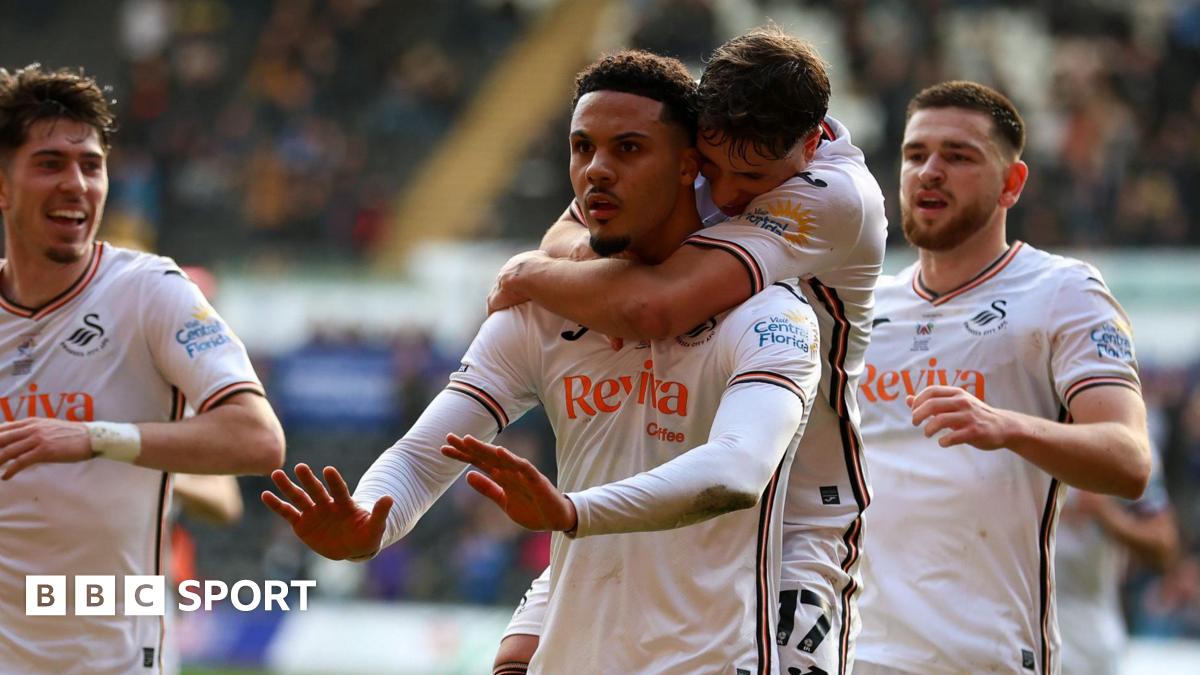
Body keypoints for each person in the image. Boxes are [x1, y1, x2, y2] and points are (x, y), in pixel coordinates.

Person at [262, 50, 823, 673]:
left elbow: (739, 471)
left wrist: (572, 511)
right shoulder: (541, 311)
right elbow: (426, 453)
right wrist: (371, 521)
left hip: (717, 660)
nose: (597, 171)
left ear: (690, 163)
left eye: (629, 149)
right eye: (582, 149)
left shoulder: (770, 313)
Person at [489, 26, 887, 675]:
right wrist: (568, 267)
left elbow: (655, 308)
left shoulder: (837, 198)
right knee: (516, 661)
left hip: (794, 520)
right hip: (661, 480)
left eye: (752, 177)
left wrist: (531, 275)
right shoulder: (693, 142)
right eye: (710, 167)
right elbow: (575, 234)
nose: (724, 194)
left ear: (810, 144)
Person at [853, 81, 1152, 675]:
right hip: (854, 651)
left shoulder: (1064, 292)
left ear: (1012, 184)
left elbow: (1130, 460)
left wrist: (1007, 425)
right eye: (916, 155)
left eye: (958, 156)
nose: (929, 172)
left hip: (984, 657)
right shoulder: (864, 307)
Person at [0, 64, 285, 675]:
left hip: (115, 660)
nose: (76, 183)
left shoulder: (150, 292)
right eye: (50, 163)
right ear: (2, 185)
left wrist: (95, 439)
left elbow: (259, 440)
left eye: (91, 165)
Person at [1055, 447, 1179, 675]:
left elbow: (1163, 544)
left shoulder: (1126, 443)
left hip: (1086, 634)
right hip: (1006, 623)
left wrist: (1106, 514)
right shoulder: (999, 425)